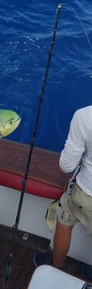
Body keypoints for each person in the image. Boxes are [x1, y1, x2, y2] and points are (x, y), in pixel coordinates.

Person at [33, 105, 92, 278]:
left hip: (85, 193)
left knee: (65, 219)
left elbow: (66, 166)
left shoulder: (85, 116)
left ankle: (56, 266)